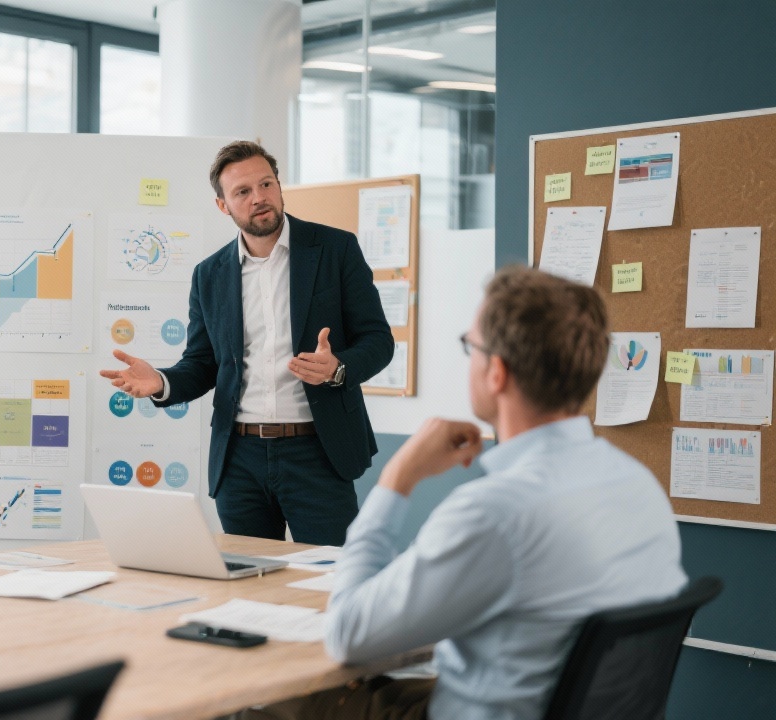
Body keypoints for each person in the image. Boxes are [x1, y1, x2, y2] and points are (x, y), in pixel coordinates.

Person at [252, 266, 687, 720]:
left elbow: (347, 633)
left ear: (496, 373)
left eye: (470, 346)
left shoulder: (498, 513)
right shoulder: (638, 484)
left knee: (261, 706)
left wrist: (396, 478)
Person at [100, 140, 393, 546]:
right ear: (223, 205)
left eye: (266, 184)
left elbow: (378, 340)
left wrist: (338, 368)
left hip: (318, 453)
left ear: (278, 186)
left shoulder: (335, 250)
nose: (260, 198)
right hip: (239, 460)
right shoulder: (210, 274)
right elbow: (203, 363)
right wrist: (162, 383)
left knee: (328, 584)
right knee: (250, 585)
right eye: (242, 192)